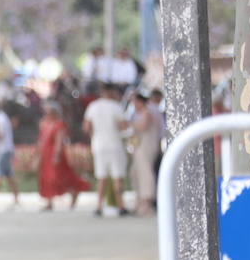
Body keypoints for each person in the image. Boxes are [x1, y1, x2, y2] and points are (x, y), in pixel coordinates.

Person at [82, 83, 129, 216]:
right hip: (115, 144)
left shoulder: (93, 106)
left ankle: (98, 206)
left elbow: (86, 127)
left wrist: (94, 134)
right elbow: (123, 126)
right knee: (117, 176)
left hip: (98, 145)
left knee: (101, 177)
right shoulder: (116, 107)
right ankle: (121, 206)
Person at [37, 102, 89, 210]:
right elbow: (41, 140)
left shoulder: (59, 125)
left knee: (57, 177)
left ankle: (73, 192)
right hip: (46, 155)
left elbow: (59, 141)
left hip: (55, 155)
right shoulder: (45, 124)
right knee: (46, 177)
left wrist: (56, 155)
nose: (47, 114)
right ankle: (49, 201)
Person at [129, 93, 162, 215]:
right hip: (139, 147)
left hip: (146, 146)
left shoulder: (148, 112)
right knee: (136, 173)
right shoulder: (137, 114)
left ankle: (147, 201)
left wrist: (130, 123)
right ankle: (140, 200)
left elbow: (142, 127)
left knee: (145, 172)